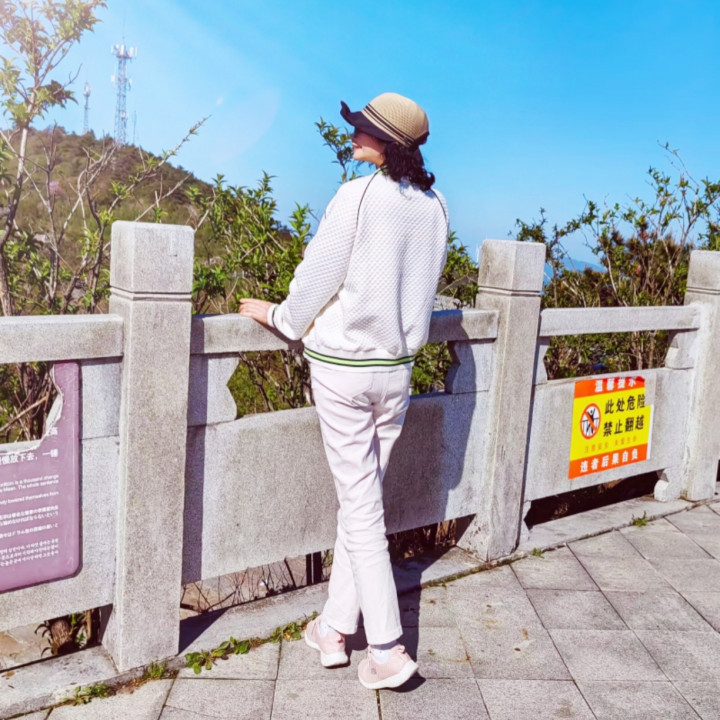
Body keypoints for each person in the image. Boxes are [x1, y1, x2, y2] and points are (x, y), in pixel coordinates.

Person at [239, 92, 449, 690]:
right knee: (363, 503)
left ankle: (386, 650)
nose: (352, 134)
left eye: (361, 128)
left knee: (361, 509)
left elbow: (316, 276)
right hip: (396, 370)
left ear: (387, 142)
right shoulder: (435, 206)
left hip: (344, 369)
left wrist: (280, 317)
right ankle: (333, 629)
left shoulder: (357, 197)